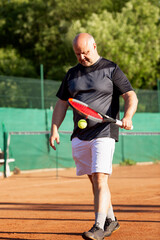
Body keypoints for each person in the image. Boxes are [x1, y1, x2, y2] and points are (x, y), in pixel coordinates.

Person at [50, 33, 138, 240]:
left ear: (95, 46)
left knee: (100, 178)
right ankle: (110, 219)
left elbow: (130, 95)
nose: (82, 57)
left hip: (104, 132)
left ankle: (98, 226)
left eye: (86, 52)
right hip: (80, 135)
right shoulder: (71, 74)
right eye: (78, 54)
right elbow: (62, 103)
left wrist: (128, 115)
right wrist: (54, 128)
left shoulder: (111, 68)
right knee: (94, 180)